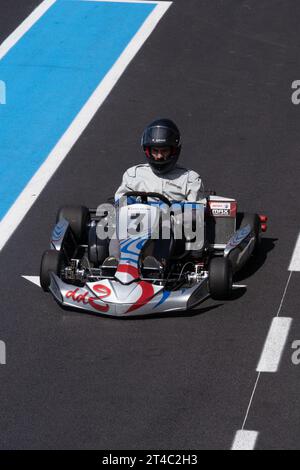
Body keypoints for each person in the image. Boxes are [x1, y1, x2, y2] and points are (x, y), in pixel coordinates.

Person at [107, 118, 204, 264]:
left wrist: (171, 211)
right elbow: (121, 201)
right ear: (148, 151)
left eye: (164, 151)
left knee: (167, 223)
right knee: (117, 220)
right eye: (155, 151)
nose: (159, 156)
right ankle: (115, 263)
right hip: (137, 220)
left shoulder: (189, 178)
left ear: (174, 151)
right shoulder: (133, 174)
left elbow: (197, 211)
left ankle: (156, 265)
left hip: (172, 224)